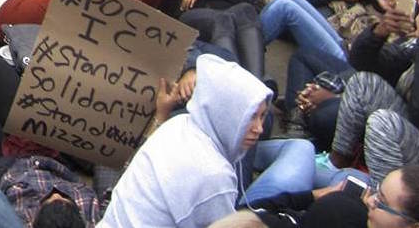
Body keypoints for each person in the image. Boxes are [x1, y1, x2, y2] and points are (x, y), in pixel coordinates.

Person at [100, 54, 303, 228]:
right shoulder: (214, 176)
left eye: (262, 116)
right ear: (226, 114)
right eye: (250, 117)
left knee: (299, 149)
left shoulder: (179, 123)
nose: (258, 128)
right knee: (301, 149)